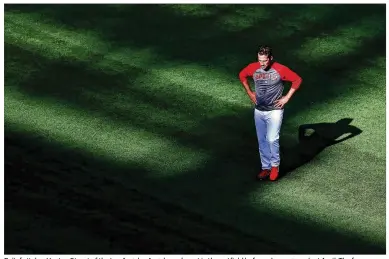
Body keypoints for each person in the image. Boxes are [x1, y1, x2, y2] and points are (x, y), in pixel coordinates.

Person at [239, 45, 302, 181]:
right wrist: (250, 93)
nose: (262, 64)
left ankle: (275, 166)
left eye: (264, 61)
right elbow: (242, 75)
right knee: (262, 140)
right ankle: (265, 167)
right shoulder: (253, 67)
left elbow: (297, 80)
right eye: (260, 60)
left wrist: (286, 98)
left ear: (271, 58)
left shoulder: (280, 69)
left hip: (275, 111)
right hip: (259, 111)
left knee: (272, 139)